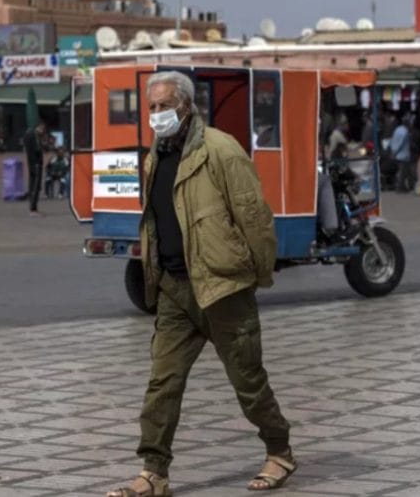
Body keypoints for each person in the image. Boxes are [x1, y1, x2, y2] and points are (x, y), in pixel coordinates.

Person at [106, 71, 292, 497]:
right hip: (174, 289)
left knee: (247, 380)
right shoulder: (154, 157)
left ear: (187, 107)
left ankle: (279, 451)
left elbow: (255, 218)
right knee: (162, 383)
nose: (157, 114)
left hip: (223, 288)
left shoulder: (221, 150)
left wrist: (255, 274)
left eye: (165, 105)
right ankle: (154, 473)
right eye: (152, 107)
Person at [22, 121, 46, 215]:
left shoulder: (28, 134)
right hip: (36, 163)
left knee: (32, 184)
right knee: (35, 186)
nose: (43, 131)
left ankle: (32, 207)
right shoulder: (34, 136)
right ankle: (33, 208)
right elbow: (37, 149)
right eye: (42, 128)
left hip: (32, 163)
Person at [389, 115, 413, 193]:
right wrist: (395, 152)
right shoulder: (405, 132)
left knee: (401, 171)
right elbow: (400, 143)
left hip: (398, 155)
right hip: (403, 155)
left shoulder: (398, 129)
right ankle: (400, 187)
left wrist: (393, 151)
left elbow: (393, 140)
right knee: (402, 172)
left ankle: (402, 186)